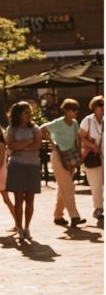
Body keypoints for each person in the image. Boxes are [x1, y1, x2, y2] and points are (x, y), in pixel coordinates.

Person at [41, 98, 86, 229]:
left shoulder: (74, 123)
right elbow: (42, 129)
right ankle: (75, 216)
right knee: (68, 187)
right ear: (66, 111)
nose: (76, 111)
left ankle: (58, 215)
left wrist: (78, 151)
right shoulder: (58, 123)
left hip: (70, 157)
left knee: (63, 188)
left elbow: (78, 137)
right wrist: (52, 144)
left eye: (77, 109)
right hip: (59, 157)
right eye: (73, 109)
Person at [5, 101, 43, 241]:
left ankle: (27, 227)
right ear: (19, 114)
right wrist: (27, 142)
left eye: (30, 112)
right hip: (16, 166)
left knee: (30, 199)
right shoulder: (12, 128)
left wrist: (20, 146)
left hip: (32, 166)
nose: (29, 115)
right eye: (26, 112)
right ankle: (19, 227)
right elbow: (10, 145)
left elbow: (37, 146)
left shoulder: (35, 128)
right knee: (18, 199)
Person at [79, 95, 104, 228]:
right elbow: (81, 137)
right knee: (96, 183)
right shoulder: (87, 121)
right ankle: (98, 208)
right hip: (93, 155)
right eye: (100, 105)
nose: (103, 108)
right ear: (94, 107)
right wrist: (92, 145)